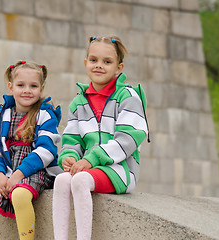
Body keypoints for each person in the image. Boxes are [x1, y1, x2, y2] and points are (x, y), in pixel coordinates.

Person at [52, 36, 150, 240]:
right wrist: (68, 156)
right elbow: (72, 139)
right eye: (94, 60)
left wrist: (91, 159)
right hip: (90, 167)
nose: (99, 66)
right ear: (86, 62)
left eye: (107, 62)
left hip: (121, 170)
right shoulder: (79, 101)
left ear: (118, 67)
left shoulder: (128, 96)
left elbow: (128, 139)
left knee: (79, 180)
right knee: (61, 180)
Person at [0, 60, 62, 240]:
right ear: (10, 87)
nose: (27, 90)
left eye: (33, 86)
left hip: (37, 172)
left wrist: (19, 175)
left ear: (41, 88)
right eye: (21, 85)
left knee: (20, 195)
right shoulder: (2, 116)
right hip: (7, 174)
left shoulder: (45, 115)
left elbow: (46, 151)